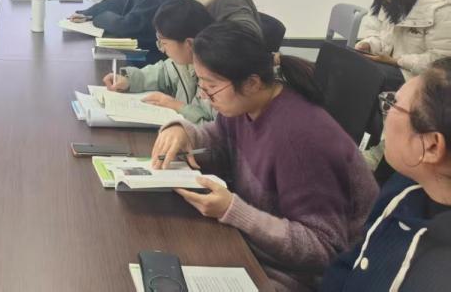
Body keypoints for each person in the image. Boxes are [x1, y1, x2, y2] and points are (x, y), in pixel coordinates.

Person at [151, 21, 378, 291]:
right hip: (255, 248)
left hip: (304, 276)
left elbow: (324, 248)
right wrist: (184, 133)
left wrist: (234, 210)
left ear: (251, 83)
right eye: (201, 82)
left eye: (210, 86)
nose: (203, 95)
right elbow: (222, 140)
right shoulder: (248, 105)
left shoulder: (299, 138)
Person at [321, 57, 451, 291]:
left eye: (394, 104)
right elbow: (350, 263)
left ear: (432, 146)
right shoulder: (403, 185)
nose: (387, 113)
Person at [102, 0, 215, 123]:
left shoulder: (219, 77)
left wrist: (178, 107)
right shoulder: (186, 62)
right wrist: (128, 79)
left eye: (164, 43)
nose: (161, 49)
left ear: (189, 44)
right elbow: (161, 74)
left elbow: (217, 130)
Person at [354, 0, 451, 90]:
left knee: (361, 78)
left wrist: (397, 61)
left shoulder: (441, 9)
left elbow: (442, 62)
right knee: (347, 66)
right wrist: (368, 44)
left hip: (418, 76)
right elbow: (378, 33)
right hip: (392, 65)